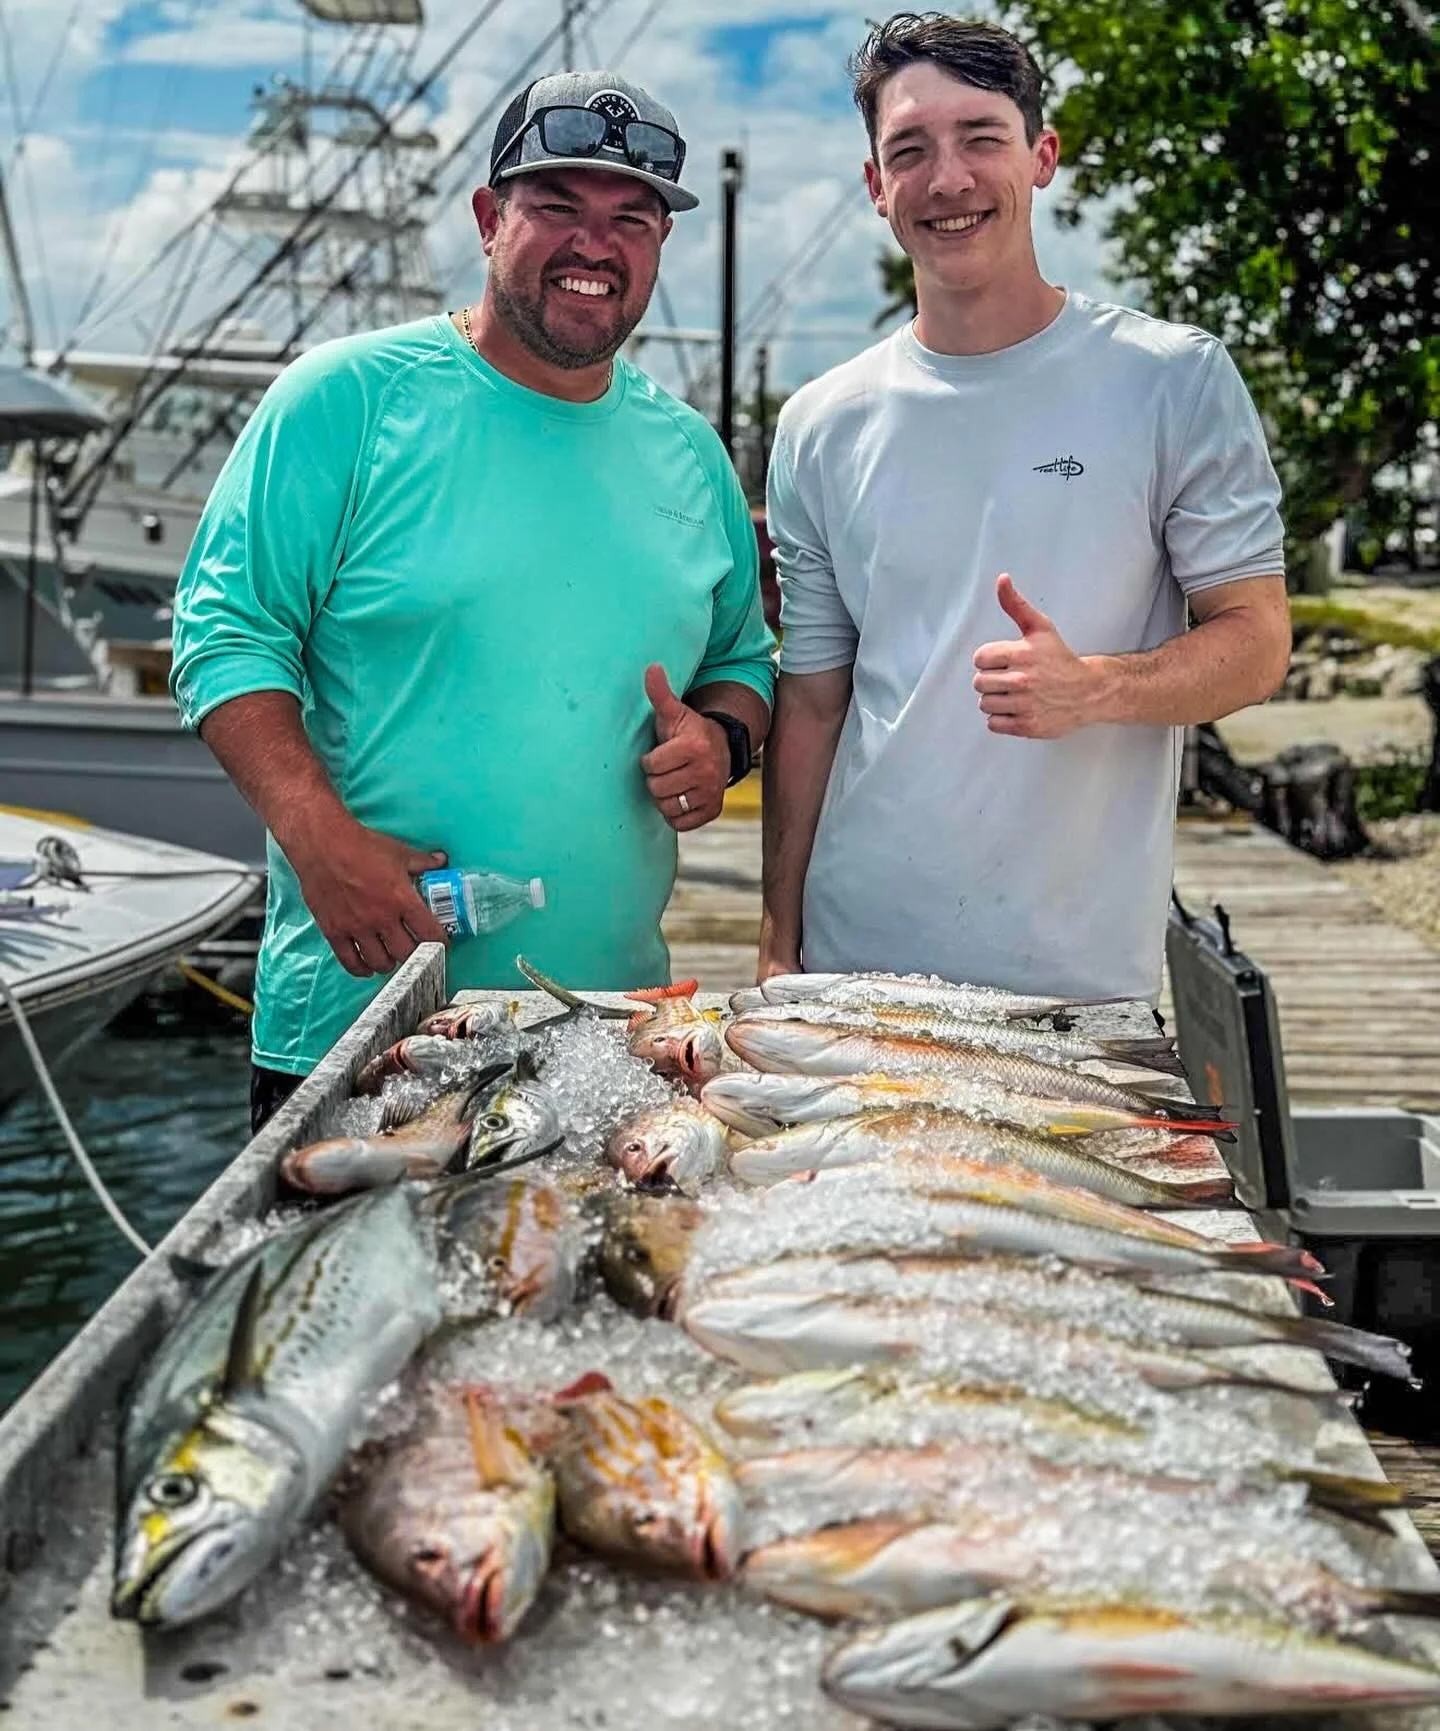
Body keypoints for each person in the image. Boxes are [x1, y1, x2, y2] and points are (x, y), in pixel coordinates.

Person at [169, 71, 775, 1131]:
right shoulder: (345, 399)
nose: (597, 246)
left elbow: (744, 656)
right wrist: (319, 840)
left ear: (658, 251)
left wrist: (722, 738)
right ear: (491, 218)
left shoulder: (692, 455)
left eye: (631, 220)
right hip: (364, 1027)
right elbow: (224, 636)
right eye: (559, 209)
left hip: (615, 1033)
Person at [760, 12, 1290, 1001]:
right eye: (909, 151)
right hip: (853, 971)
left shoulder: (1173, 380)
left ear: (1042, 156)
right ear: (876, 185)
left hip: (1078, 988)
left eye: (981, 139)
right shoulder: (819, 422)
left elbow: (1256, 642)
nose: (947, 179)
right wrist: (777, 938)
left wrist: (1094, 688)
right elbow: (815, 699)